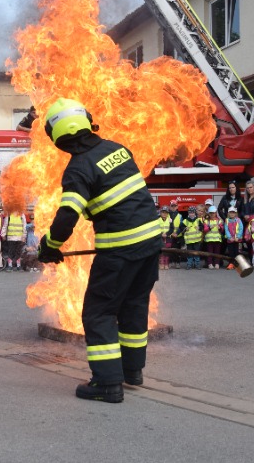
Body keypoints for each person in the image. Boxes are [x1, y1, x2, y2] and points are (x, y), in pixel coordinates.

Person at [36, 98, 163, 403]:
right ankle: (132, 371)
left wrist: (50, 246)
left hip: (120, 249)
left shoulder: (79, 168)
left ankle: (107, 383)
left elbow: (68, 215)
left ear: (59, 137)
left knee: (98, 313)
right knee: (134, 304)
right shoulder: (117, 149)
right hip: (151, 242)